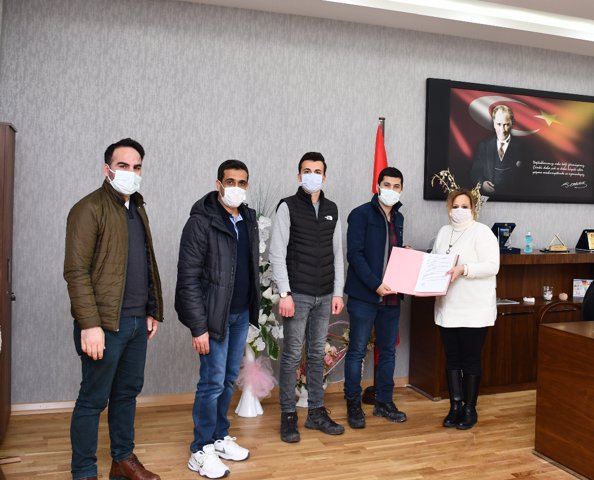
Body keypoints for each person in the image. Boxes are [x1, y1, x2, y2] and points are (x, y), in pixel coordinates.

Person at [64, 138, 163, 480]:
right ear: (107, 169)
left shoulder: (137, 207)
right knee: (93, 400)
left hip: (136, 321)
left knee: (127, 394)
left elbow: (144, 263)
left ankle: (122, 461)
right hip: (104, 324)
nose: (131, 173)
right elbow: (76, 271)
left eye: (137, 167)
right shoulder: (88, 208)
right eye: (123, 166)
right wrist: (89, 324)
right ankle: (84, 471)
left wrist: (151, 309)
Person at [175, 160, 260, 479]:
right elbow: (188, 279)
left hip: (239, 314)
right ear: (218, 184)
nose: (236, 187)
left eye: (242, 182)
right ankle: (200, 449)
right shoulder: (201, 222)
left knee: (227, 379)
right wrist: (199, 327)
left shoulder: (248, 219)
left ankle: (219, 437)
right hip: (213, 317)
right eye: (230, 181)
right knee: (211, 382)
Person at [269, 151, 345, 443]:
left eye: (317, 171)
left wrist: (337, 292)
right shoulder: (287, 207)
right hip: (297, 294)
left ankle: (315, 412)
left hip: (324, 294)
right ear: (299, 175)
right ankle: (288, 415)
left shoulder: (332, 209)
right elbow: (277, 253)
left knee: (316, 355)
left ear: (325, 176)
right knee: (291, 355)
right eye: (307, 171)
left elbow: (338, 254)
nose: (312, 175)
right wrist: (285, 293)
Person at [343, 166, 407, 429]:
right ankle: (353, 404)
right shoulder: (360, 214)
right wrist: (375, 285)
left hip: (391, 297)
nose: (391, 190)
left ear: (401, 189)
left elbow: (390, 253)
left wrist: (405, 255)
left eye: (396, 186)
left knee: (388, 351)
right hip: (364, 296)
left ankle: (384, 401)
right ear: (378, 186)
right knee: (357, 351)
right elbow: (355, 255)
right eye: (387, 185)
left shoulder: (399, 218)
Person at [431, 189, 500, 430]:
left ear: (473, 209)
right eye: (455, 206)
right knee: (452, 359)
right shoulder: (443, 232)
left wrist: (464, 269)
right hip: (448, 307)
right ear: (449, 208)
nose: (459, 210)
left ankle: (470, 409)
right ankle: (455, 407)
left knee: (470, 359)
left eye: (465, 206)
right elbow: (435, 261)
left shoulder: (482, 232)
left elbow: (493, 266)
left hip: (474, 309)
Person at [470, 104, 527, 198]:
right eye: (499, 124)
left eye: (506, 124)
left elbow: (527, 178)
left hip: (513, 199)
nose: (502, 130)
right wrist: (482, 184)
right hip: (489, 200)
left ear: (512, 123)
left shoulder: (522, 148)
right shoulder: (484, 146)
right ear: (494, 124)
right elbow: (475, 172)